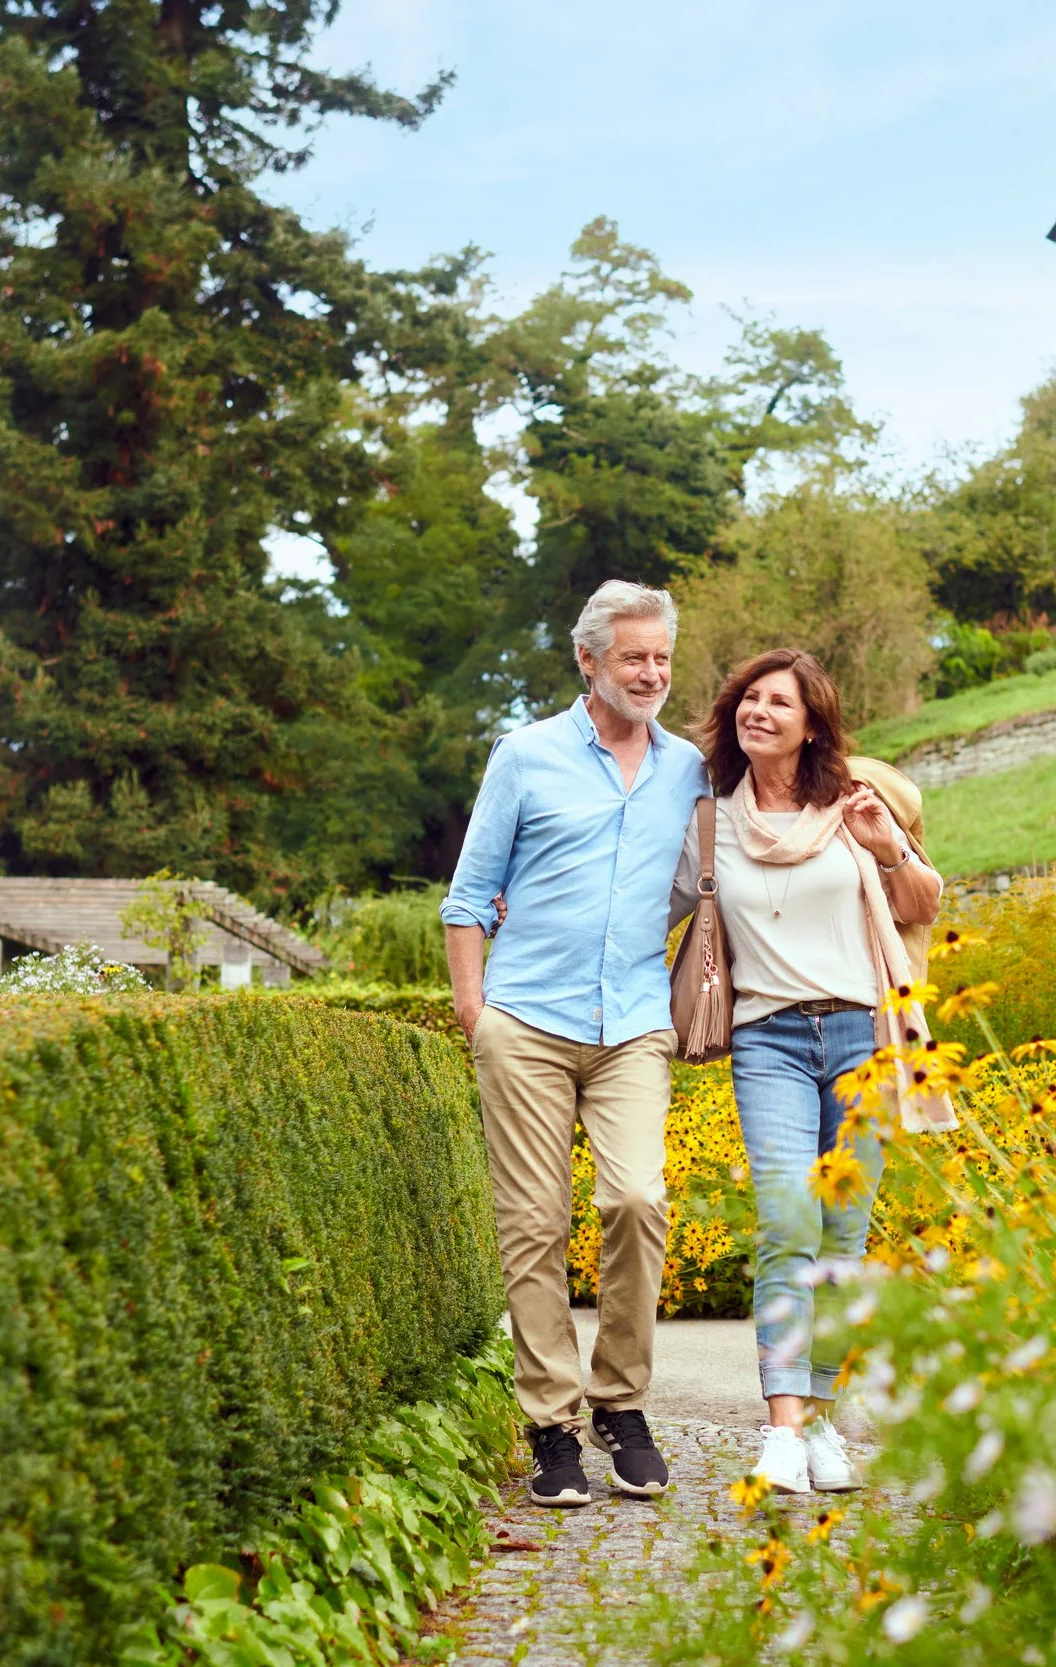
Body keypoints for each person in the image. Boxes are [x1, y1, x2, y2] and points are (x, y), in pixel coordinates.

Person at [441, 581, 710, 1508]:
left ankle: (620, 1404)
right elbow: (469, 894)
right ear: (588, 660)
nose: (652, 673)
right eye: (634, 656)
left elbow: (725, 859)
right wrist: (476, 1011)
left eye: (662, 657)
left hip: (634, 1020)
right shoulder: (526, 754)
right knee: (535, 1222)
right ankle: (551, 1424)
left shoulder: (690, 769)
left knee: (637, 1198)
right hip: (526, 1021)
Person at [672, 648, 944, 1495]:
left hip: (863, 1035)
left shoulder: (853, 805)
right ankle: (784, 1432)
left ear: (813, 724)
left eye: (778, 702)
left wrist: (887, 849)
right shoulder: (712, 822)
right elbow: (648, 909)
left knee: (842, 1236)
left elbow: (923, 901)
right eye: (748, 698)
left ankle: (824, 1421)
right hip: (769, 1041)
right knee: (789, 1218)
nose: (758, 711)